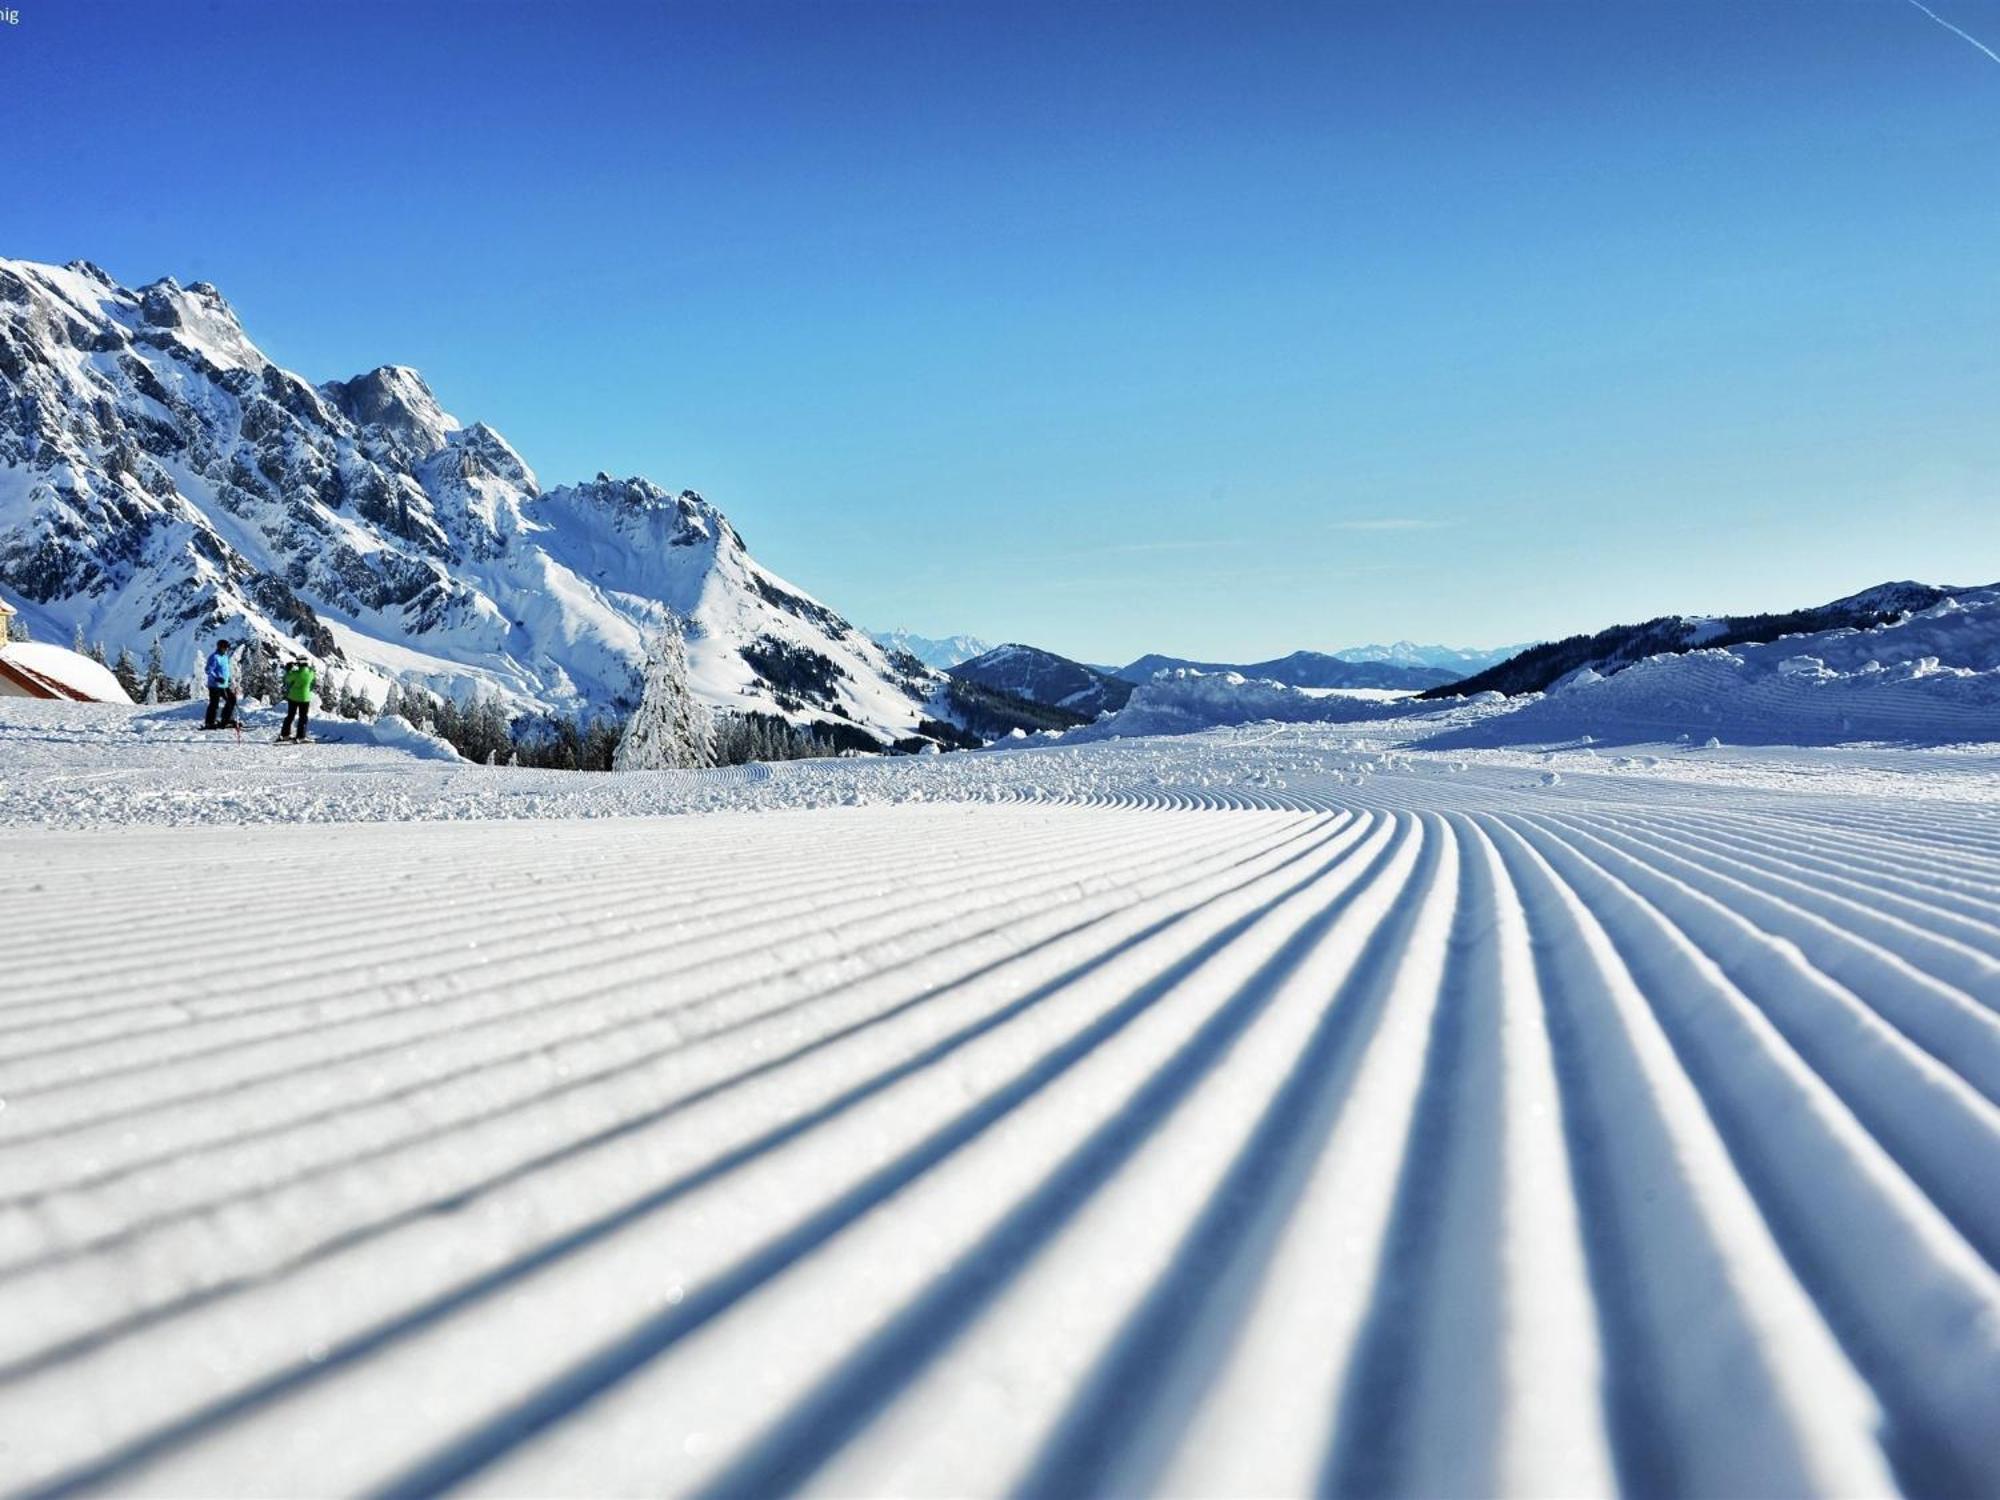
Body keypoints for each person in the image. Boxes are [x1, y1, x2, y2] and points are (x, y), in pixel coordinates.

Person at [203, 639, 237, 730]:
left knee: (232, 700)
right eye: (224, 648)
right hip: (214, 685)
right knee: (214, 704)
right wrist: (216, 678)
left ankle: (226, 719)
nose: (226, 649)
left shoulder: (225, 657)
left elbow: (225, 669)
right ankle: (209, 723)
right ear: (219, 647)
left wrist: (228, 679)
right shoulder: (214, 657)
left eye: (227, 648)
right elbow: (207, 670)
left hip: (224, 685)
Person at [279, 656, 316, 742]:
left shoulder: (295, 674)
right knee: (303, 717)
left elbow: (286, 679)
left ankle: (285, 735)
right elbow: (313, 681)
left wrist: (288, 670)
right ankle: (301, 736)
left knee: (290, 716)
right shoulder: (311, 673)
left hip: (293, 697)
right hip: (305, 698)